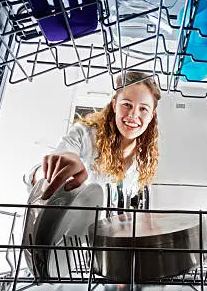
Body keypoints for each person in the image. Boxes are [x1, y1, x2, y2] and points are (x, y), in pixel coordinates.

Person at [24, 71, 161, 210]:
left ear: (151, 115)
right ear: (114, 105)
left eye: (143, 108)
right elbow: (37, 176)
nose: (133, 115)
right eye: (127, 104)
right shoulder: (84, 135)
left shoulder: (144, 158)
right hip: (71, 228)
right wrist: (50, 170)